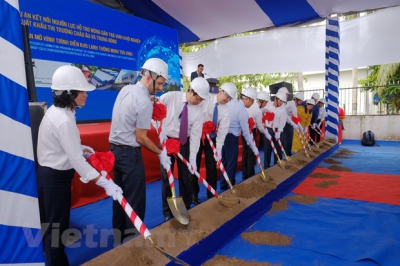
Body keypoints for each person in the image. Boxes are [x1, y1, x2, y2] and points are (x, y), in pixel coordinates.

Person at [36, 65, 123, 266]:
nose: (86, 95)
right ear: (68, 93)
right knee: (56, 229)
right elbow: (76, 161)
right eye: (81, 91)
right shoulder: (64, 119)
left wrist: (81, 147)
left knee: (56, 226)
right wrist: (105, 184)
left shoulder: (60, 112)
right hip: (54, 179)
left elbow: (63, 145)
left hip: (51, 176)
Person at [109, 58, 171, 243]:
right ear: (150, 76)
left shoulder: (126, 89)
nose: (161, 88)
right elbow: (141, 137)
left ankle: (118, 239)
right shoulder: (143, 101)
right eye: (159, 83)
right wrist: (161, 154)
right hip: (129, 155)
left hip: (114, 152)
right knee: (135, 201)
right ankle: (133, 245)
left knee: (119, 199)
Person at [159, 77, 209, 220]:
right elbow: (153, 111)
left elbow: (195, 134)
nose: (199, 102)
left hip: (184, 142)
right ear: (191, 91)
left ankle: (186, 206)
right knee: (166, 176)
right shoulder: (170, 97)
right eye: (198, 98)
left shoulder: (199, 110)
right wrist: (160, 133)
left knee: (186, 176)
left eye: (201, 100)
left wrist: (193, 157)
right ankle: (168, 212)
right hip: (166, 139)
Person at [191, 85, 231, 202]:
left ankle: (212, 193)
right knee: (195, 164)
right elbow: (195, 112)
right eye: (226, 96)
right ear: (220, 91)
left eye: (230, 98)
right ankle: (193, 194)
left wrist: (218, 148)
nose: (227, 100)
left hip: (212, 137)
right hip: (197, 136)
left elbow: (223, 129)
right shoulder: (206, 98)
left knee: (211, 166)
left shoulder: (226, 109)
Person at [220, 83, 258, 189]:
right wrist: (253, 147)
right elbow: (246, 133)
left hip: (223, 134)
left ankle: (223, 184)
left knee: (224, 160)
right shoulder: (242, 112)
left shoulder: (231, 102)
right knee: (232, 161)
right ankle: (230, 184)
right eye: (252, 101)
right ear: (247, 99)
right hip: (231, 137)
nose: (252, 104)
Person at [242, 88, 270, 180]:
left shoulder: (250, 105)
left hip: (243, 131)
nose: (266, 104)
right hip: (251, 131)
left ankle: (245, 174)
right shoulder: (257, 110)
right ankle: (250, 175)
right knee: (250, 153)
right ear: (262, 101)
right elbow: (260, 126)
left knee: (245, 152)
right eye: (266, 102)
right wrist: (266, 134)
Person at [263, 90, 287, 168]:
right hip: (268, 129)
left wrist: (279, 132)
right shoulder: (268, 106)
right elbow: (262, 113)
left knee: (278, 148)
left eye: (282, 101)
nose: (281, 102)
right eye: (280, 100)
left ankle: (277, 165)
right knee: (267, 149)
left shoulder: (283, 109)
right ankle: (267, 166)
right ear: (276, 99)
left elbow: (282, 121)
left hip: (277, 130)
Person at [278, 87, 299, 156]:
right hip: (284, 123)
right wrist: (293, 123)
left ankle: (285, 152)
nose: (288, 96)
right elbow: (285, 115)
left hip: (287, 122)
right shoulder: (288, 103)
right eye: (287, 94)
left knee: (285, 138)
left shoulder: (286, 103)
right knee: (287, 138)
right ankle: (286, 153)